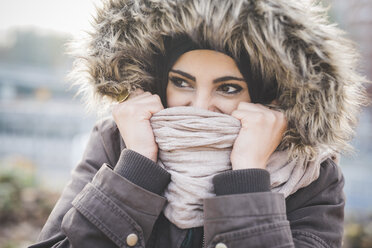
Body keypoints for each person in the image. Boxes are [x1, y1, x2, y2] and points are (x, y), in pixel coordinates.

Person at [30, 0, 367, 247]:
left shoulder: (311, 174)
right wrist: (136, 168)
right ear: (161, 84)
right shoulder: (116, 140)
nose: (201, 106)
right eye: (182, 83)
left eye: (229, 88)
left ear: (268, 98)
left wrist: (248, 175)